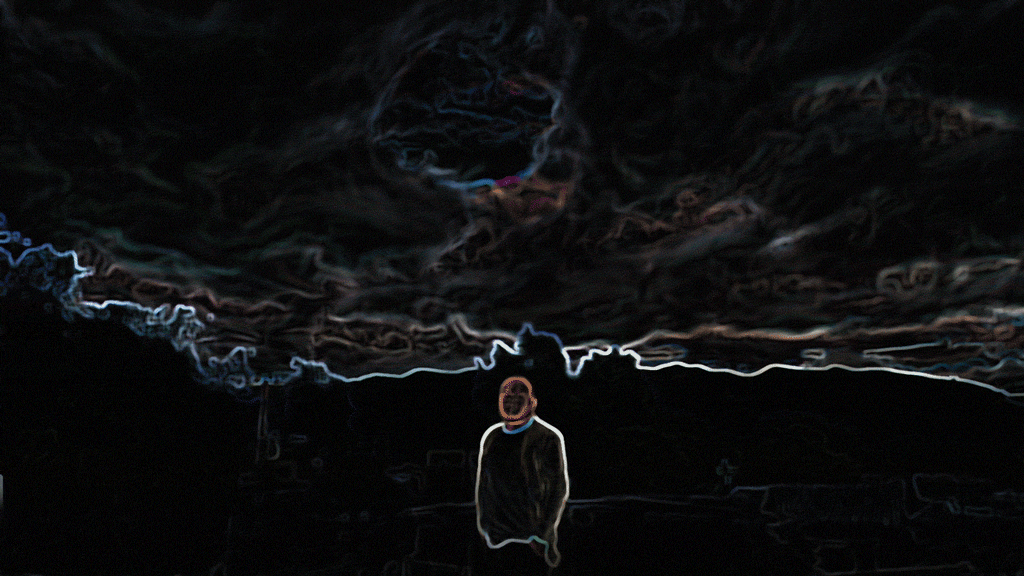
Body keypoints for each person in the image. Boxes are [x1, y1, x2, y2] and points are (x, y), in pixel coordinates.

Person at [474, 376, 569, 572]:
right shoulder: (492, 437)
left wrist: (542, 535)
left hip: (531, 541)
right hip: (497, 540)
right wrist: (484, 527)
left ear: (532, 403)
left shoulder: (547, 437)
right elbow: (483, 486)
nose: (512, 403)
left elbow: (558, 490)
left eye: (519, 398)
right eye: (507, 398)